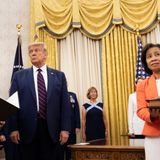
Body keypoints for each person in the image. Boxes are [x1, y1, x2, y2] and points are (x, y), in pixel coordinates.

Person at [9, 42, 71, 160]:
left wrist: (65, 129)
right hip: (26, 130)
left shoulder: (59, 76)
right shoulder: (19, 76)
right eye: (31, 51)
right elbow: (12, 103)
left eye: (36, 50)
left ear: (45, 54)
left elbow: (65, 105)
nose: (33, 53)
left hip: (52, 130)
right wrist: (13, 128)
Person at [136, 43, 160, 160]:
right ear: (146, 62)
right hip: (153, 135)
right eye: (149, 56)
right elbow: (141, 110)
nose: (154, 58)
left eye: (157, 54)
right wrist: (152, 116)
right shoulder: (142, 85)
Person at [59, 92, 80, 160]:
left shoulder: (72, 95)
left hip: (72, 127)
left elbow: (76, 111)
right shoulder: (55, 95)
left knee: (71, 150)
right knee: (60, 151)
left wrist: (78, 125)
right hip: (59, 129)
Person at [128, 78, 145, 146]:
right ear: (135, 84)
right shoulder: (132, 96)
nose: (140, 84)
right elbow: (130, 114)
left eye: (142, 83)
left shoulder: (148, 95)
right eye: (139, 83)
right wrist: (131, 130)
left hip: (147, 126)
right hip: (136, 127)